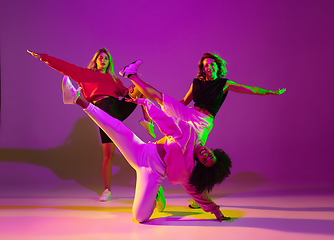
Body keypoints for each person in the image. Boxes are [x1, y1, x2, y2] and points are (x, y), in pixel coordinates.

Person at [61, 69, 232, 222]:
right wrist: (145, 104)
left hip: (151, 173)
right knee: (115, 127)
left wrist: (216, 212)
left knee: (140, 217)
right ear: (212, 150)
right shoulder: (190, 134)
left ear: (200, 165)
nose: (205, 155)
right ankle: (76, 98)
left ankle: (155, 194)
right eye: (210, 155)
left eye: (204, 160)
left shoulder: (187, 170)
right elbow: (167, 123)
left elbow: (197, 193)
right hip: (141, 150)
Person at [123, 53, 286, 208]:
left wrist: (271, 92)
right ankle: (131, 74)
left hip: (202, 123)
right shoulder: (196, 83)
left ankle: (196, 195)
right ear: (203, 68)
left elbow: (249, 89)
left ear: (217, 66)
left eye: (212, 64)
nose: (209, 67)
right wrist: (171, 105)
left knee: (191, 155)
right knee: (160, 97)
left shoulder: (224, 84)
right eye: (206, 65)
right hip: (190, 112)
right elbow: (185, 101)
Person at [27, 49, 145, 202]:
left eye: (106, 58)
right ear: (95, 60)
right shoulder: (84, 74)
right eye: (100, 58)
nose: (103, 60)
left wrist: (130, 89)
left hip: (117, 109)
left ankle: (147, 120)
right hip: (102, 111)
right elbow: (65, 66)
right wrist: (45, 57)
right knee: (109, 154)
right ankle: (107, 190)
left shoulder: (114, 79)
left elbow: (124, 92)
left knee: (140, 89)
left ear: (109, 62)